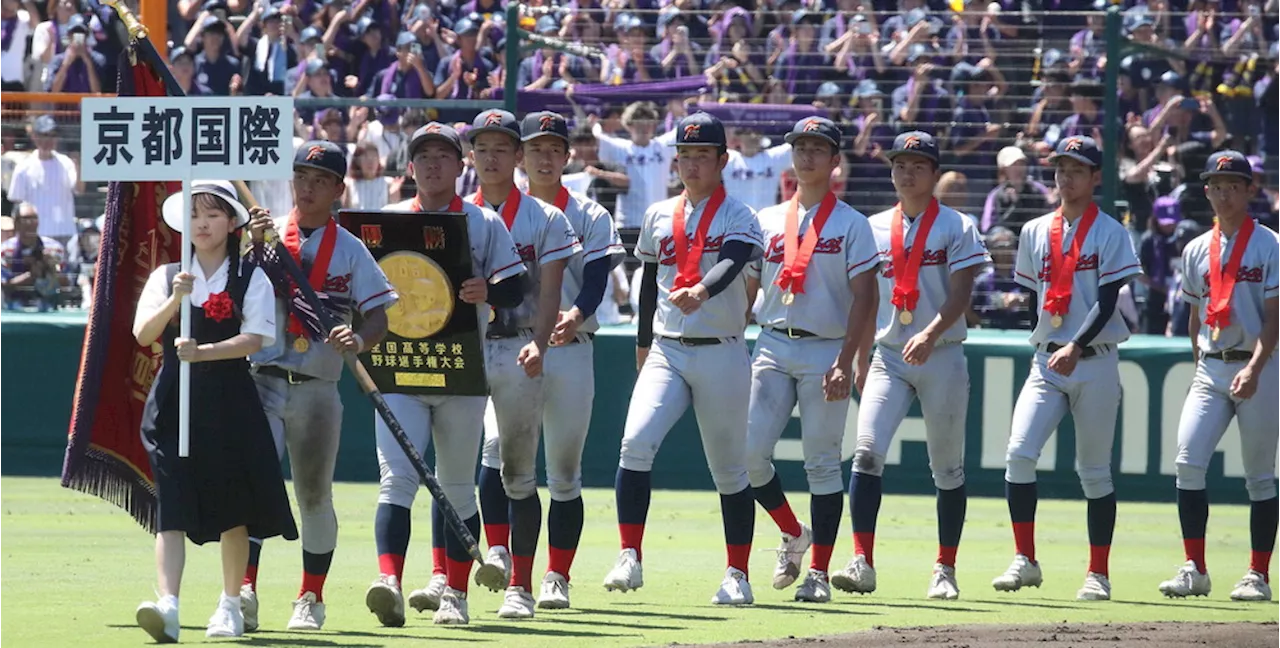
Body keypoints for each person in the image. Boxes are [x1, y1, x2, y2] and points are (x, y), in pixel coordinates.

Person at [464, 111, 625, 612]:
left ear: (567, 156)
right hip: (505, 345)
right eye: (537, 148)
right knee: (495, 448)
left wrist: (577, 313)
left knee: (563, 471)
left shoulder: (587, 214)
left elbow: (596, 277)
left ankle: (556, 575)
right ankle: (499, 552)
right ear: (522, 156)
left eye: (555, 148)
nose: (546, 156)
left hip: (569, 349)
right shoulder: (482, 210)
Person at [366, 122, 524, 628]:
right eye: (423, 156)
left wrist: (487, 291)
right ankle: (389, 580)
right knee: (396, 482)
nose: (433, 164)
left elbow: (515, 287)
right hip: (399, 369)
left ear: (462, 166)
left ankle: (455, 593)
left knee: (458, 486)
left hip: (460, 372)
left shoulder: (482, 221)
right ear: (409, 167)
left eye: (443, 155)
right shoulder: (385, 220)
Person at [603, 112, 764, 605]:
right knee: (634, 444)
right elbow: (650, 280)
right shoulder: (657, 213)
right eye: (685, 156)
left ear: (723, 160)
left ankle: (737, 573)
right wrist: (641, 340)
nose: (692, 165)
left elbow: (735, 258)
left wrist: (703, 288)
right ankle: (630, 554)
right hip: (667, 350)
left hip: (722, 351)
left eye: (702, 156)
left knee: (730, 471)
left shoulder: (741, 214)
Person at [239, 142, 398, 632]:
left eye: (319, 180)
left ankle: (311, 596)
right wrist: (250, 245)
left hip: (318, 385)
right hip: (261, 376)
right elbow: (229, 292)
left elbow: (379, 318)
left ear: (337, 189)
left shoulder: (349, 248)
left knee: (313, 495)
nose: (307, 188)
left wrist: (360, 336)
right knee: (252, 487)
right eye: (301, 177)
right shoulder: (263, 235)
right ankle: (243, 590)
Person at [131, 180, 298, 643]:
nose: (202, 224)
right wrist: (175, 301)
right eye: (195, 215)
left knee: (233, 507)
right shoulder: (167, 276)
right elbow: (144, 334)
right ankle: (168, 605)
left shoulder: (250, 277)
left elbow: (256, 339)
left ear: (231, 222)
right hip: (171, 403)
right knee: (172, 507)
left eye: (212, 214)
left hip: (229, 402)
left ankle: (229, 605)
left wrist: (203, 352)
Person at [836, 131, 989, 601]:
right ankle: (862, 560)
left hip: (941, 354)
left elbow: (962, 293)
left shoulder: (957, 225)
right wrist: (860, 358)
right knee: (865, 452)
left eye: (918, 166)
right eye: (900, 164)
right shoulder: (873, 225)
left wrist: (930, 333)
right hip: (888, 355)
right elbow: (866, 300)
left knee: (946, 468)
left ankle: (945, 567)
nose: (907, 173)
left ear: (935, 174)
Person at [993, 136, 1142, 602]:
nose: (1065, 177)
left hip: (1094, 361)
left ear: (1096, 177)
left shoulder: (1111, 232)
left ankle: (1098, 572)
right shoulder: (1035, 230)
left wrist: (1075, 344)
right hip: (1048, 360)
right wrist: (1050, 336)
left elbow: (1107, 302)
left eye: (1076, 169)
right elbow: (1036, 298)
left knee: (1094, 471)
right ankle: (1025, 559)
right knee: (1018, 453)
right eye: (1060, 168)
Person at [743, 117, 880, 603]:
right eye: (800, 147)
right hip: (773, 342)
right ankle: (792, 532)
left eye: (818, 148)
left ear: (835, 160)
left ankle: (818, 571)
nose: (807, 156)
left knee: (822, 464)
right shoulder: (765, 217)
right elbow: (750, 285)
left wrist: (848, 359)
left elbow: (867, 298)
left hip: (826, 346)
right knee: (748, 454)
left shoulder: (852, 224)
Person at [1159, 150, 1280, 602]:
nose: (1223, 193)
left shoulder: (1270, 244)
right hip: (1212, 366)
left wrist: (1254, 366)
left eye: (1233, 184)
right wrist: (1199, 365)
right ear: (1205, 190)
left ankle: (1258, 574)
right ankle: (1195, 567)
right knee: (1188, 462)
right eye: (1216, 184)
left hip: (1260, 365)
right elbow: (1193, 316)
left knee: (1259, 476)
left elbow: (1274, 316)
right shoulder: (1195, 248)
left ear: (1250, 190)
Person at [7, 115, 80, 244]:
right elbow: (16, 201)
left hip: (65, 233)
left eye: (52, 135)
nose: (48, 140)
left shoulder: (66, 163)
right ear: (34, 136)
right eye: (44, 135)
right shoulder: (24, 167)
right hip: (36, 236)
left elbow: (79, 189)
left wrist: (79, 167)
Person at [0, 202, 66, 311]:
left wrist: (51, 269)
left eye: (34, 219)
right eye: (25, 219)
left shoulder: (54, 248)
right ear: (16, 223)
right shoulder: (5, 251)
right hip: (14, 307)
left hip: (48, 306)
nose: (30, 223)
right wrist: (31, 276)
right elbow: (4, 286)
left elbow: (67, 284)